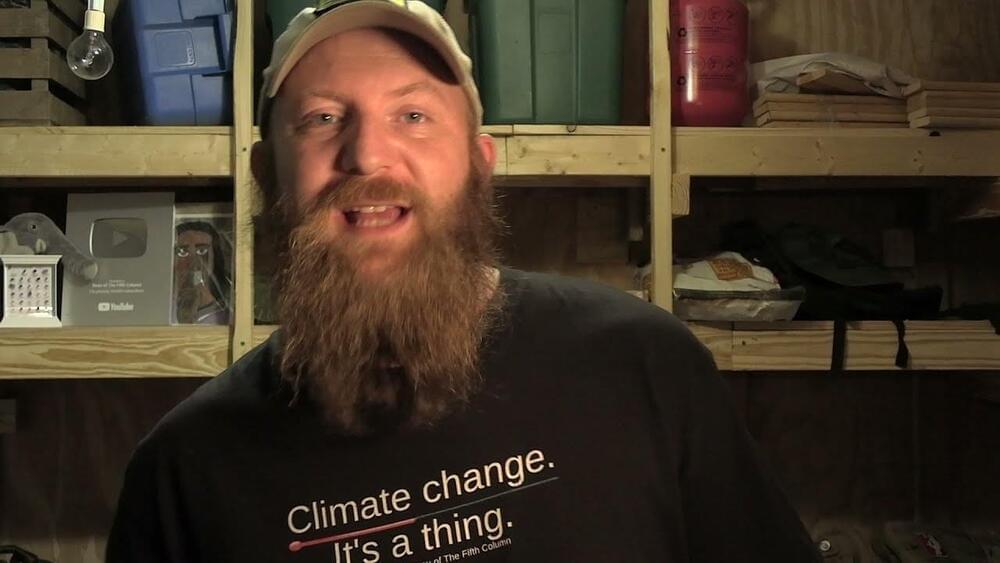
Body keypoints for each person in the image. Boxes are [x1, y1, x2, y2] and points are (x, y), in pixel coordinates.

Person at [107, 1, 821, 561]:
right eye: (323, 119)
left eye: (413, 115)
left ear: (480, 165)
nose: (368, 155)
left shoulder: (644, 363)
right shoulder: (183, 471)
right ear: (267, 176)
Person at [173, 221, 232, 325]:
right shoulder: (163, 306)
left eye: (202, 251)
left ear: (215, 257)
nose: (193, 262)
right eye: (183, 252)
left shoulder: (226, 315)